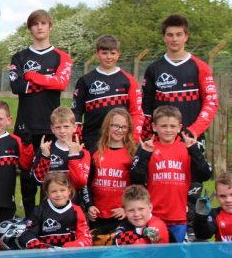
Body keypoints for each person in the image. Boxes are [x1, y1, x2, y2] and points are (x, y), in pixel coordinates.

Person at [142, 13, 218, 236]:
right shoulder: (154, 68)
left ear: (186, 36)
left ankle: (193, 233)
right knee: (162, 183)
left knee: (192, 185)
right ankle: (159, 231)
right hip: (161, 141)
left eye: (178, 34)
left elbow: (211, 103)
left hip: (190, 139)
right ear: (164, 37)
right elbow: (146, 107)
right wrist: (148, 136)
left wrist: (193, 132)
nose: (174, 39)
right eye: (169, 35)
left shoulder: (200, 67)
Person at [9, 10, 72, 218]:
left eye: (44, 23)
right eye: (35, 24)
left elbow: (61, 83)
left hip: (51, 126)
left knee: (51, 175)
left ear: (50, 27)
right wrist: (47, 82)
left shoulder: (61, 56)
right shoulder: (19, 56)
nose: (40, 27)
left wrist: (31, 76)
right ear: (30, 28)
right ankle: (29, 218)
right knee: (27, 176)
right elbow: (16, 86)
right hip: (26, 125)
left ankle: (49, 218)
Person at [129, 105, 213, 244]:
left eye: (173, 126)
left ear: (180, 128)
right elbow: (136, 178)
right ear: (154, 127)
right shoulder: (148, 147)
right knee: (154, 254)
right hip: (153, 216)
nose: (168, 130)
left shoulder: (187, 147)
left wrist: (194, 151)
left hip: (178, 216)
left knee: (177, 257)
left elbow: (204, 175)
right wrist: (145, 155)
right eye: (164, 126)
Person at [70, 35, 143, 152]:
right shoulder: (85, 80)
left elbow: (136, 112)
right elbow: (76, 111)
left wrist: (133, 139)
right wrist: (76, 137)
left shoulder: (128, 80)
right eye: (104, 53)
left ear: (118, 54)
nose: (109, 57)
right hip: (92, 138)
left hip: (120, 139)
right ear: (97, 53)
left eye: (113, 53)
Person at [112, 185, 185, 258]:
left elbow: (154, 239)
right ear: (125, 211)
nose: (137, 214)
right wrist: (141, 231)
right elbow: (117, 241)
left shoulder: (157, 223)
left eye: (141, 209)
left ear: (150, 208)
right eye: (131, 210)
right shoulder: (124, 225)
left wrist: (137, 235)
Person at [83, 108, 137, 240]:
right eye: (116, 126)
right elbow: (86, 183)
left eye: (124, 127)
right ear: (107, 126)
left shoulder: (132, 153)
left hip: (120, 215)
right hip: (98, 215)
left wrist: (126, 208)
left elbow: (137, 187)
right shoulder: (95, 152)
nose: (120, 130)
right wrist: (89, 205)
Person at [30, 107, 90, 206]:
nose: (62, 131)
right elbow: (37, 180)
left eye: (66, 126)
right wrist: (45, 157)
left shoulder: (82, 152)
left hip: (74, 206)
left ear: (75, 127)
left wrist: (74, 156)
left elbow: (80, 183)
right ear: (52, 129)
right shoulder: (45, 149)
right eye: (58, 127)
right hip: (48, 207)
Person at [19, 172, 92, 249]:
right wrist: (41, 247)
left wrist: (66, 248)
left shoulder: (76, 211)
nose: (59, 194)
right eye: (54, 191)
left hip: (70, 256)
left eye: (63, 190)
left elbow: (86, 238)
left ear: (69, 191)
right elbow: (27, 235)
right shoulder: (39, 211)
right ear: (47, 193)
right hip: (44, 256)